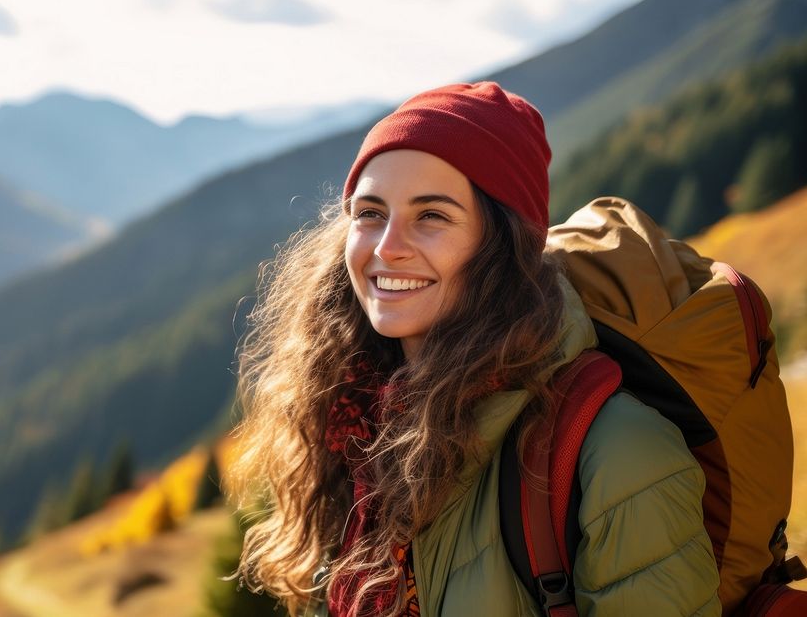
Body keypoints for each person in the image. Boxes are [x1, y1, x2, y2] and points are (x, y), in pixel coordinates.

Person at [230, 82, 722, 616]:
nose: (386, 246)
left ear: (502, 244)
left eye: (432, 216)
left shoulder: (617, 451)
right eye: (370, 212)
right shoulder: (355, 426)